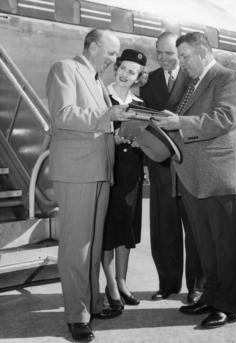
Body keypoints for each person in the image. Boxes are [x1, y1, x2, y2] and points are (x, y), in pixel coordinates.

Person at [155, 31, 236, 329]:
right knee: (206, 246)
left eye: (184, 57)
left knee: (227, 245)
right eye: (179, 58)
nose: (181, 63)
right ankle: (210, 297)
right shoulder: (192, 83)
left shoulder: (228, 78)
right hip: (193, 177)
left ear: (204, 53)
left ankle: (229, 305)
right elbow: (184, 120)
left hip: (219, 177)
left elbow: (225, 118)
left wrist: (179, 122)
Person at [46, 29, 135, 342]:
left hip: (98, 169)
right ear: (94, 46)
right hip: (76, 170)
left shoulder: (96, 80)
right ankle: (77, 317)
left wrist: (116, 132)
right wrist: (107, 115)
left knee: (94, 245)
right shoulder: (65, 69)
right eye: (112, 53)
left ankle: (93, 304)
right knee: (76, 247)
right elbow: (63, 115)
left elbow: (99, 123)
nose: (115, 59)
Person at [140, 31, 203, 302]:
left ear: (180, 54)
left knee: (195, 229)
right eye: (160, 53)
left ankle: (197, 285)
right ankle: (167, 283)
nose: (164, 58)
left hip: (189, 163)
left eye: (170, 53)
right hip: (161, 165)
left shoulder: (195, 78)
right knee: (164, 227)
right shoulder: (148, 80)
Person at [102, 49, 147, 311]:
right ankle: (110, 285)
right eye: (122, 67)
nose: (125, 73)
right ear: (116, 67)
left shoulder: (140, 105)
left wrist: (141, 141)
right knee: (109, 230)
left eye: (132, 71)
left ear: (138, 77)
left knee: (127, 230)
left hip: (131, 175)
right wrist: (113, 137)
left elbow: (146, 140)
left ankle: (122, 281)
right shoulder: (100, 95)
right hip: (107, 170)